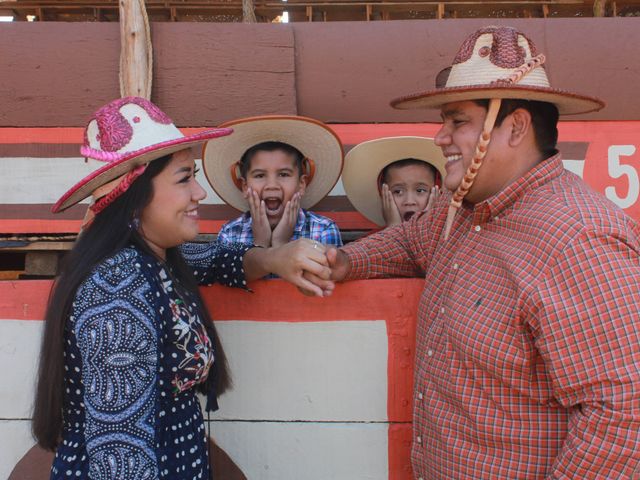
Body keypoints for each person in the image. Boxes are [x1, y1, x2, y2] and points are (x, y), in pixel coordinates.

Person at [314, 26, 640, 478]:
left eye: (457, 121)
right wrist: (348, 261)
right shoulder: (462, 211)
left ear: (516, 126)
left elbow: (625, 414)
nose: (440, 137)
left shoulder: (576, 238)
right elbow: (410, 241)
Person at [31, 97, 331, 480]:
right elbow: (120, 456)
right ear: (135, 196)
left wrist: (275, 258)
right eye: (185, 178)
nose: (199, 194)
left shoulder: (152, 259)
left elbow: (216, 260)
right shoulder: (116, 288)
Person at [202, 115, 343, 248]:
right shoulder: (231, 234)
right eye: (259, 176)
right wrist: (261, 245)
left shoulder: (322, 229)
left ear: (301, 184)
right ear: (245, 187)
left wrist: (280, 244)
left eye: (283, 174)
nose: (272, 185)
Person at [342, 136, 446, 227]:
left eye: (420, 190)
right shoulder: (371, 244)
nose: (409, 201)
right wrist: (393, 230)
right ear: (383, 194)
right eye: (398, 192)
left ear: (437, 194)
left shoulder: (450, 242)